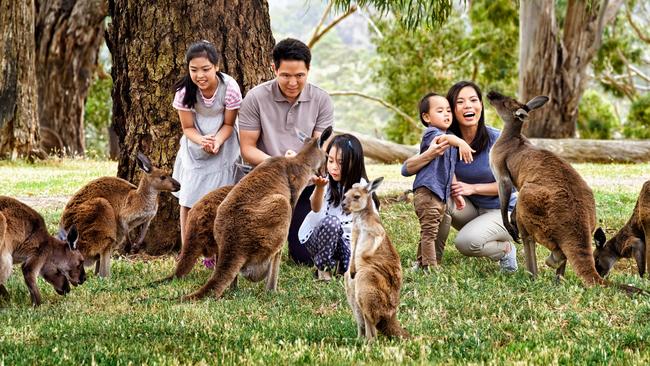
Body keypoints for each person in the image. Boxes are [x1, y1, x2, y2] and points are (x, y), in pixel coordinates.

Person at [402, 81, 518, 272]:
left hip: (503, 212)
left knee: (465, 243)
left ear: (480, 106)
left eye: (473, 100)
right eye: (460, 102)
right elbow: (406, 169)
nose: (468, 106)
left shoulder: (497, 139)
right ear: (452, 110)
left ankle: (505, 250)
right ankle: (428, 263)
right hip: (470, 210)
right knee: (439, 197)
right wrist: (430, 154)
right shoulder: (445, 138)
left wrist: (473, 188)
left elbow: (513, 185)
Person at [238, 38, 334, 265]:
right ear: (274, 69)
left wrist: (301, 166)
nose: (293, 82)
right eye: (286, 75)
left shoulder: (321, 100)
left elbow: (321, 150)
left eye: (299, 75)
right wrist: (281, 163)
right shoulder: (255, 98)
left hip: (304, 187)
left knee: (305, 258)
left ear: (309, 70)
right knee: (255, 254)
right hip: (266, 187)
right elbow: (247, 149)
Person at [171, 40, 242, 249]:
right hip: (196, 144)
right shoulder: (184, 92)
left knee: (220, 199)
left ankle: (215, 249)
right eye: (194, 70)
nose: (200, 75)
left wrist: (217, 141)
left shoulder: (229, 87)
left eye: (205, 69)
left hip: (224, 142)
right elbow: (187, 128)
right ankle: (187, 250)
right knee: (188, 199)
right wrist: (202, 141)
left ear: (217, 66)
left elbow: (229, 123)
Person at [404, 92, 474, 272]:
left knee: (430, 230)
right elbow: (445, 140)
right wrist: (460, 142)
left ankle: (420, 264)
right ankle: (430, 266)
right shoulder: (432, 135)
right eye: (440, 110)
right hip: (427, 192)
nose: (447, 114)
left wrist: (456, 194)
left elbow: (449, 170)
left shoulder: (449, 137)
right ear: (426, 117)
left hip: (439, 195)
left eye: (449, 111)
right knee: (429, 233)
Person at [298, 134, 379, 281]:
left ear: (354, 163)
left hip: (346, 240)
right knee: (332, 223)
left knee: (354, 272)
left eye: (341, 162)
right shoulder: (326, 182)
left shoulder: (362, 188)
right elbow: (315, 208)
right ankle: (323, 270)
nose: (334, 167)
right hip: (318, 237)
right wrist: (320, 188)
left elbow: (370, 221)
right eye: (330, 160)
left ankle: (340, 265)